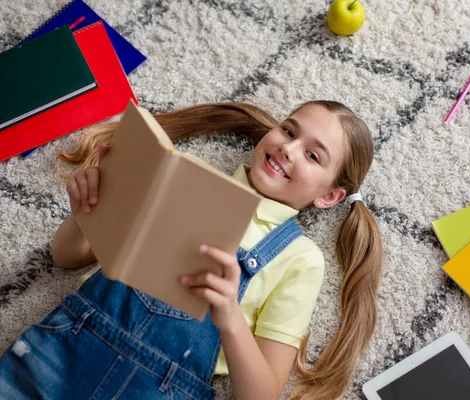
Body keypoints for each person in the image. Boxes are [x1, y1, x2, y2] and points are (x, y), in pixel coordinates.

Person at [0, 101, 383, 399]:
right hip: (58, 356)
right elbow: (64, 258)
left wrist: (230, 315)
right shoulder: (182, 176)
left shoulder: (300, 259)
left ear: (330, 196)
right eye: (288, 130)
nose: (288, 148)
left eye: (313, 156)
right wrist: (83, 214)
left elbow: (260, 394)